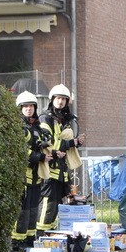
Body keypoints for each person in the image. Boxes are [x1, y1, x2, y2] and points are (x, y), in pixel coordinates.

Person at [37, 84, 84, 234]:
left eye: (64, 99)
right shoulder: (46, 118)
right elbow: (48, 142)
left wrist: (75, 142)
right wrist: (72, 143)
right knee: (47, 202)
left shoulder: (64, 119)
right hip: (49, 168)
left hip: (60, 169)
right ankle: (40, 233)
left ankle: (49, 232)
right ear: (52, 99)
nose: (61, 102)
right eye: (58, 98)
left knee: (56, 202)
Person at [13, 91, 49, 252]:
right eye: (25, 106)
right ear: (20, 108)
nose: (28, 109)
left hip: (36, 175)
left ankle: (28, 239)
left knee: (33, 208)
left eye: (31, 106)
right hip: (23, 174)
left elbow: (42, 144)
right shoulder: (19, 127)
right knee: (23, 209)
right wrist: (39, 156)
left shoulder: (37, 127)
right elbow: (21, 150)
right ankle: (15, 244)